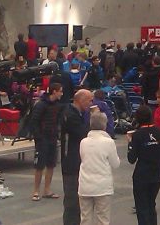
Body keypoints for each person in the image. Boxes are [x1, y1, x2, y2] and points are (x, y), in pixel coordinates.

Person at [79, 110, 120, 225]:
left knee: (85, 218)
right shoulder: (109, 142)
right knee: (103, 219)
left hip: (85, 185)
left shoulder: (83, 142)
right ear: (104, 125)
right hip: (102, 186)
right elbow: (115, 164)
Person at [128, 105, 160, 225]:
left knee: (142, 207)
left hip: (142, 175)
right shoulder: (159, 132)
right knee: (151, 204)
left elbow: (131, 158)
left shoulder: (137, 135)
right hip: (157, 173)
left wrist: (130, 143)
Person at [60, 89, 93, 225]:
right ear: (80, 100)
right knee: (72, 199)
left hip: (76, 160)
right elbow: (82, 133)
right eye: (89, 100)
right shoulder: (71, 115)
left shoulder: (76, 113)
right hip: (71, 162)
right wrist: (92, 119)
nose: (91, 104)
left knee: (77, 199)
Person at [30, 82, 63, 200]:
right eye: (60, 91)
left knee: (51, 164)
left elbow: (58, 120)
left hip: (53, 137)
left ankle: (47, 190)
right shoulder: (41, 105)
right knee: (39, 165)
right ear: (54, 91)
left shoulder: (57, 105)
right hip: (42, 138)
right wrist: (38, 137)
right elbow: (34, 121)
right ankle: (36, 191)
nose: (62, 93)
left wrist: (57, 134)